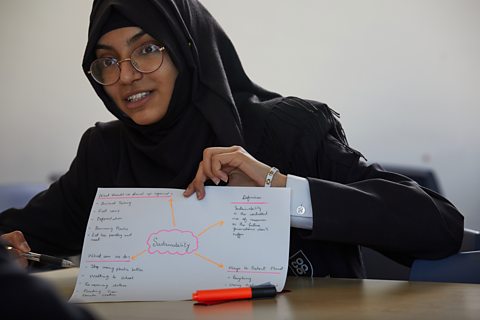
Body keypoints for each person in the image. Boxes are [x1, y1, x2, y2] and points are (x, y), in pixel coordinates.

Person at [0, 0, 463, 278]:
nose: (126, 76)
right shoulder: (106, 152)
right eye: (107, 61)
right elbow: (19, 232)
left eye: (146, 49)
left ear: (187, 49)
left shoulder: (286, 130)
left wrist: (279, 188)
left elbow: (439, 226)